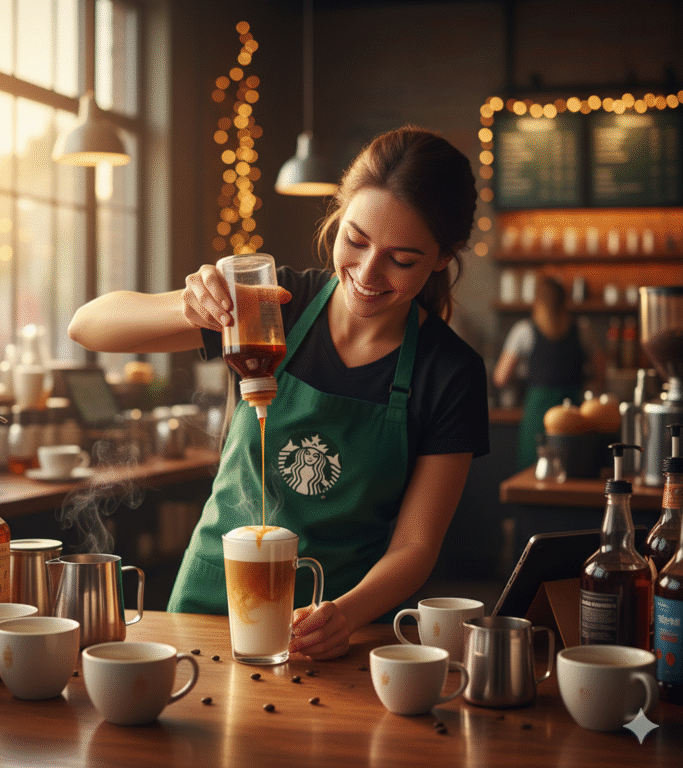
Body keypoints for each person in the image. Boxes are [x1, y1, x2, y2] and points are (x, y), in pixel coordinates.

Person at [68, 125, 490, 660]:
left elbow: (415, 547)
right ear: (337, 217)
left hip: (331, 627)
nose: (366, 272)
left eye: (401, 260)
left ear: (441, 258)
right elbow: (87, 325)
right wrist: (189, 305)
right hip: (207, 608)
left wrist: (349, 613)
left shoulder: (449, 372)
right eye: (355, 241)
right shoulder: (271, 305)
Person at [493, 275, 603, 469]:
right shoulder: (583, 329)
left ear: (537, 302)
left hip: (538, 410)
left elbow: (500, 378)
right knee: (572, 469)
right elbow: (601, 373)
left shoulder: (524, 330)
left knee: (535, 471)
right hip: (573, 410)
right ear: (564, 302)